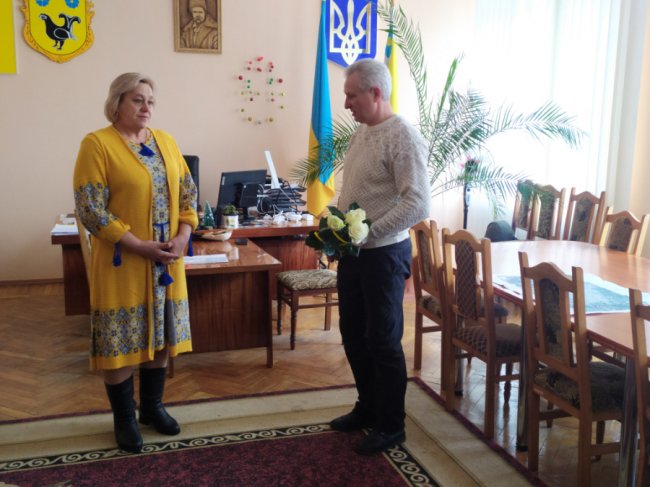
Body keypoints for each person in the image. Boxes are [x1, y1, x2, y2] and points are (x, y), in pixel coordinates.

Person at [73, 73, 198, 453]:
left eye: (151, 101)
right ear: (117, 103)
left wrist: (183, 235)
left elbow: (188, 195)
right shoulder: (97, 144)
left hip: (166, 261)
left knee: (161, 335)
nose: (146, 107)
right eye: (137, 100)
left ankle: (152, 408)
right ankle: (125, 418)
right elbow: (91, 209)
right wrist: (139, 245)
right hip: (122, 262)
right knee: (121, 340)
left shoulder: (166, 142)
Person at [330, 58, 431, 455]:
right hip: (353, 253)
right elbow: (358, 191)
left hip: (384, 254)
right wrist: (337, 226)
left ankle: (391, 425)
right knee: (353, 334)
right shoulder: (362, 132)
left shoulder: (403, 136)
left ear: (375, 93)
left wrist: (369, 232)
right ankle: (368, 406)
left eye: (351, 96)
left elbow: (417, 202)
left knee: (383, 340)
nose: (346, 104)